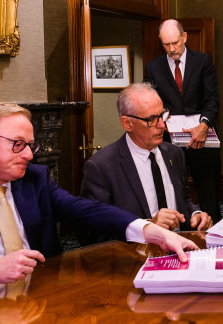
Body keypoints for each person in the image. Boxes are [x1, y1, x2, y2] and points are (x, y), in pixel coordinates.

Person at [0, 102, 198, 294]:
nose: (29, 155)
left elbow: (88, 210)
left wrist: (150, 230)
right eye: (18, 145)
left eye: (31, 145)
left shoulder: (34, 179)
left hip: (42, 298)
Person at [81, 83, 213, 231]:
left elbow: (183, 199)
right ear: (128, 123)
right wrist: (146, 227)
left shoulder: (175, 154)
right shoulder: (102, 167)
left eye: (163, 115)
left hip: (180, 248)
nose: (162, 125)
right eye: (151, 119)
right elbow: (91, 231)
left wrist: (196, 214)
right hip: (136, 253)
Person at [144, 19, 222, 223]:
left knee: (208, 191)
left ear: (184, 37)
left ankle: (213, 235)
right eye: (166, 44)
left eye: (175, 43)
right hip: (170, 141)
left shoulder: (203, 61)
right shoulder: (153, 67)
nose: (171, 49)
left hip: (202, 138)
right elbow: (151, 102)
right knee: (174, 188)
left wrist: (203, 126)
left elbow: (212, 99)